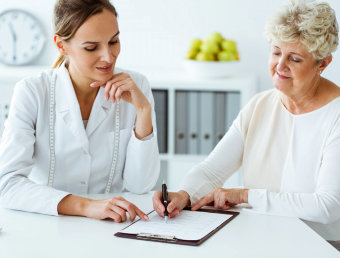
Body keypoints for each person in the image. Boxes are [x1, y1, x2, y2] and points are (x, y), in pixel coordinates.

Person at [153, 0, 340, 244]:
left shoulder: (335, 115)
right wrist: (184, 194)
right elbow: (211, 171)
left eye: (294, 59)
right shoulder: (260, 105)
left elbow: (327, 207)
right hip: (261, 237)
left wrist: (244, 195)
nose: (279, 66)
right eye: (275, 52)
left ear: (322, 64)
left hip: (319, 246)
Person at [0, 0, 160, 223]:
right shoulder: (33, 91)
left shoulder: (137, 86)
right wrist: (86, 206)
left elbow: (140, 185)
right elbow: (7, 184)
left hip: (113, 225)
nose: (108, 56)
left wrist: (143, 110)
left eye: (113, 41)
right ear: (61, 45)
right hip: (47, 223)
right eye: (91, 47)